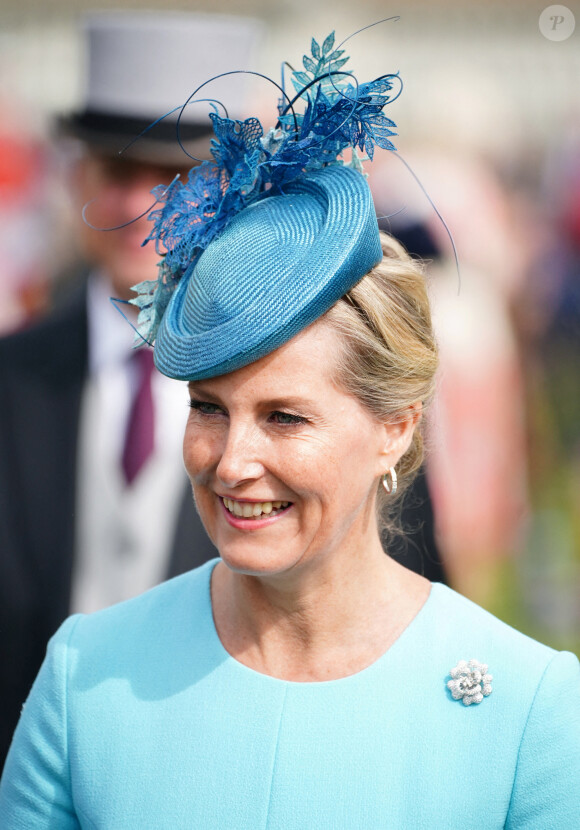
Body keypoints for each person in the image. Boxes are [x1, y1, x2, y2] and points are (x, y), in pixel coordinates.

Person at [5, 31, 572, 828]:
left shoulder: (527, 712)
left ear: (396, 428)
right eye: (208, 408)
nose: (232, 461)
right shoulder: (82, 679)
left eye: (285, 417)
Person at [0, 11, 261, 769]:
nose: (143, 205)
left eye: (177, 177)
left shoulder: (306, 393)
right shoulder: (10, 380)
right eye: (120, 173)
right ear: (79, 177)